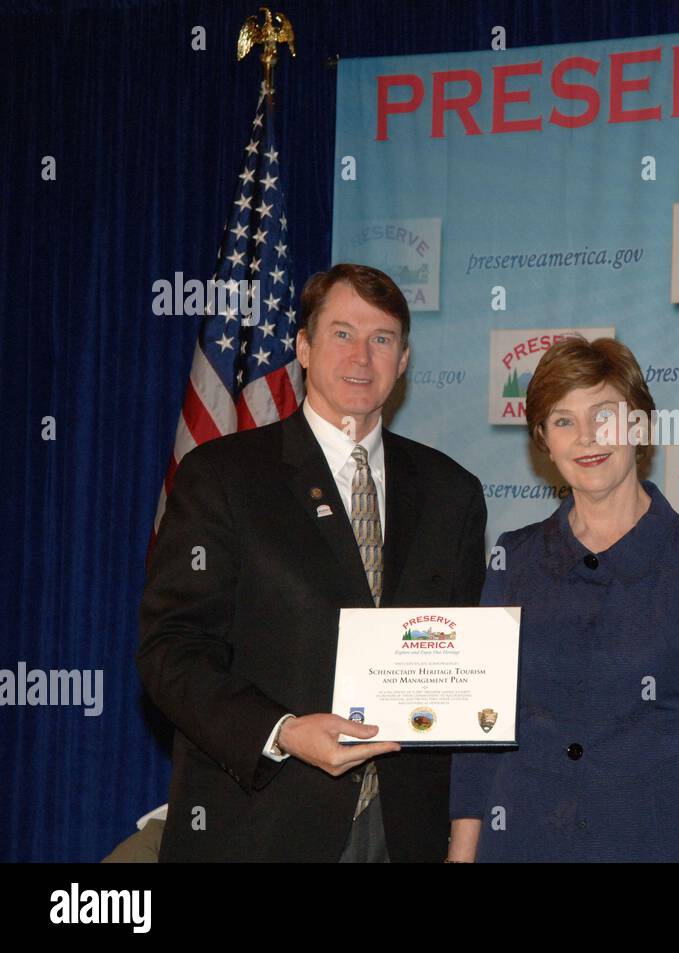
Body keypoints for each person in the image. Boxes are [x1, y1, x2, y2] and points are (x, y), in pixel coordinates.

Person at [138, 263, 486, 862]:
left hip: (408, 831)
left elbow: (467, 657)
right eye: (342, 333)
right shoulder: (222, 477)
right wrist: (282, 732)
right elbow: (171, 650)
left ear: (403, 361)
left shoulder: (452, 492)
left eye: (382, 339)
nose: (362, 356)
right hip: (263, 825)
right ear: (303, 346)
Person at [448, 337, 679, 862]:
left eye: (604, 416)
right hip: (523, 843)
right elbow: (481, 734)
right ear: (543, 439)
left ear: (641, 426)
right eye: (563, 421)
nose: (587, 438)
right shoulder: (512, 559)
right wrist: (460, 854)